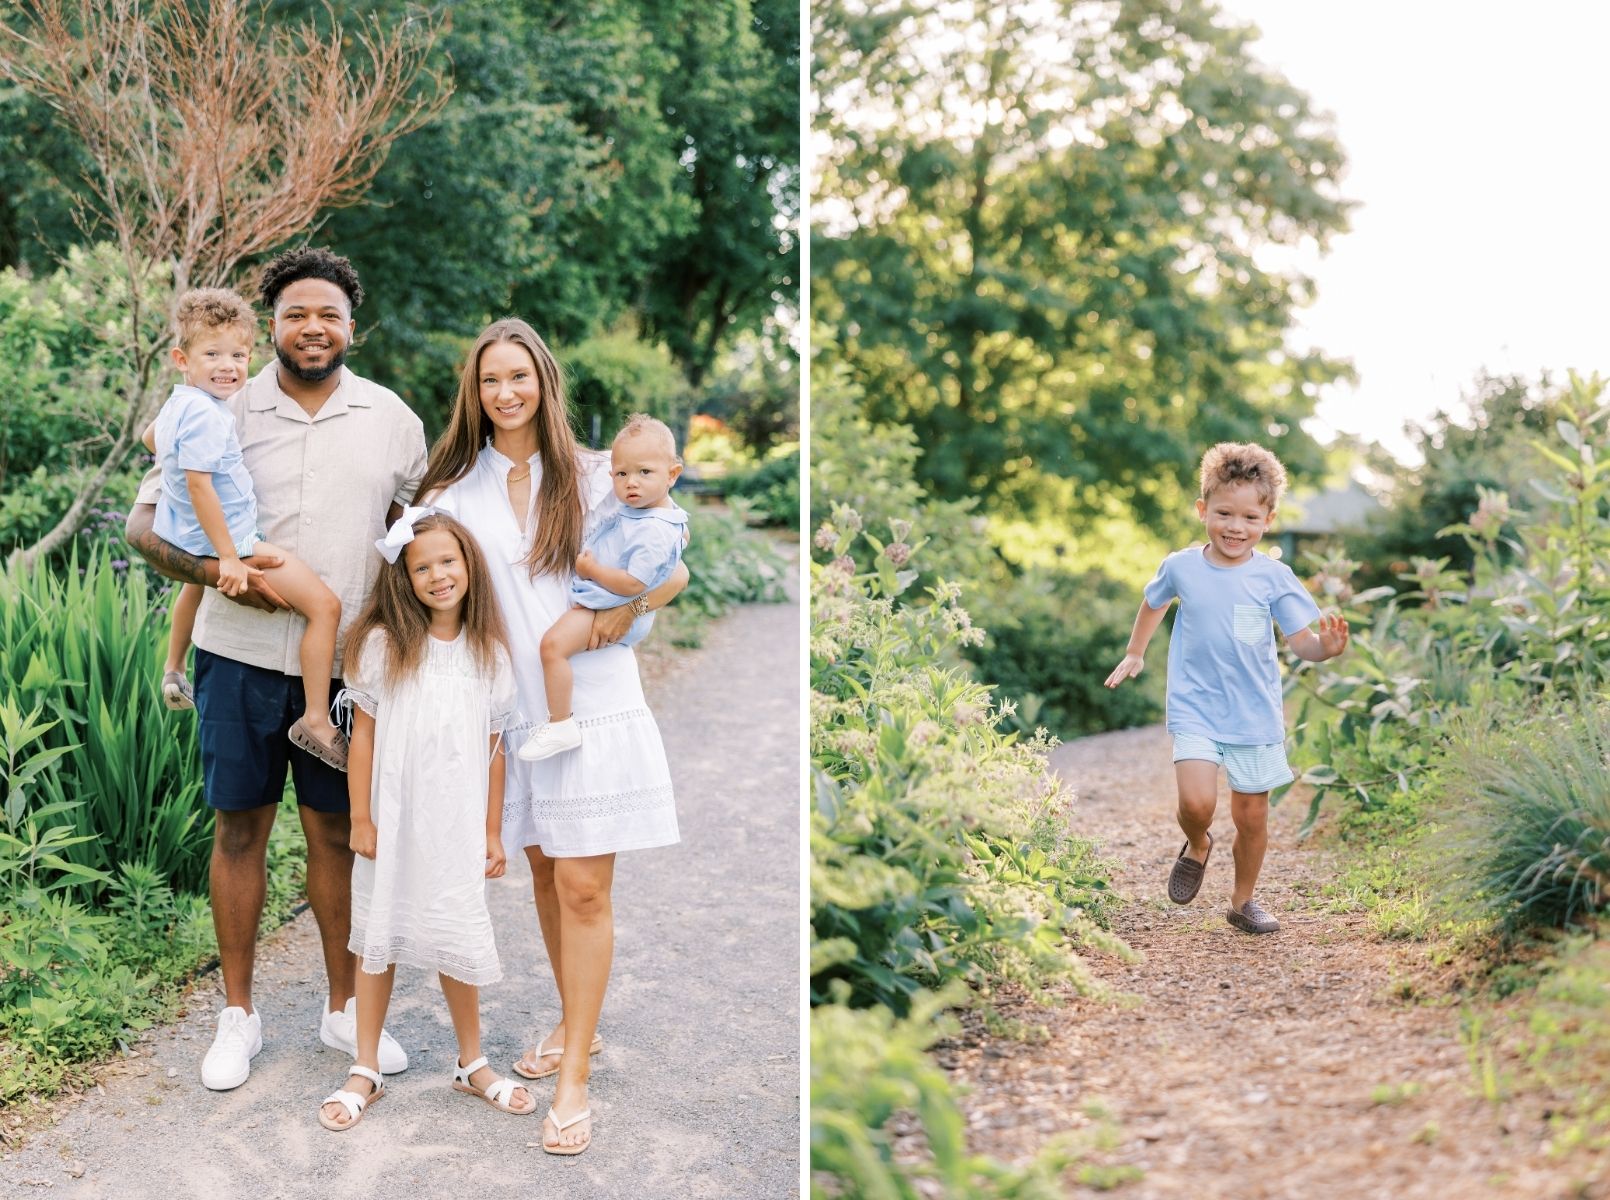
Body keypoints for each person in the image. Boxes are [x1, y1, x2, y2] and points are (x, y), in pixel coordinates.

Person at [124, 246, 425, 1090]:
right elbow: (143, 530)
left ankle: (341, 1011)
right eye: (296, 313)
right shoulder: (218, 399)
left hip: (343, 675)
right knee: (239, 829)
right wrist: (233, 582)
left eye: (328, 313)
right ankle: (238, 1016)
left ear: (352, 324)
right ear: (271, 327)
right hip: (236, 655)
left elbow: (416, 540)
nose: (313, 326)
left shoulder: (393, 419)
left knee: (335, 833)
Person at [417, 318, 687, 1155]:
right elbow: (424, 582)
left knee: (583, 888)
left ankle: (573, 1077)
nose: (506, 392)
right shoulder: (453, 493)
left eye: (520, 377)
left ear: (543, 383)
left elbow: (672, 567)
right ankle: (579, 1025)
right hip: (514, 708)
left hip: (592, 696)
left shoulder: (599, 474)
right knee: (541, 872)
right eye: (491, 379)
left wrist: (634, 610)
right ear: (475, 390)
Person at [318, 509, 534, 1130]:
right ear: (403, 578)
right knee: (378, 937)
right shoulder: (385, 646)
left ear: (469, 567)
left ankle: (473, 1063)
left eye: (448, 561)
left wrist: (492, 832)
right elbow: (363, 739)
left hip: (456, 821)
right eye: (422, 567)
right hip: (393, 817)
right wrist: (360, 816)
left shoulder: (490, 654)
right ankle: (365, 1066)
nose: (438, 575)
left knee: (455, 932)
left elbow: (496, 754)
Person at [1104, 442, 1349, 935]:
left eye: (1249, 517)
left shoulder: (1274, 577)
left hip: (1253, 714)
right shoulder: (1181, 566)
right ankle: (1197, 843)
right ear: (1203, 511)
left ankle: (1242, 901)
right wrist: (1136, 651)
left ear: (1267, 519)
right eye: (1223, 513)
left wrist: (1327, 648)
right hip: (1196, 706)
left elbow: (1302, 643)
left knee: (1252, 816)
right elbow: (1153, 603)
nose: (1235, 527)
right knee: (1197, 804)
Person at [143, 287, 347, 770]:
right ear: (182, 358)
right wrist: (231, 557)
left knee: (194, 587)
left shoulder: (180, 403)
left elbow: (148, 438)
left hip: (189, 535)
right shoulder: (209, 416)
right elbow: (200, 488)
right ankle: (316, 719)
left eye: (237, 354)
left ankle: (174, 669)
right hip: (230, 539)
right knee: (324, 606)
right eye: (211, 354)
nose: (227, 366)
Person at [518, 414, 688, 762]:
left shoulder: (653, 526)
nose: (630, 483)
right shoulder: (645, 511)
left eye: (644, 473)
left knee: (552, 647)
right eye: (621, 474)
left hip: (610, 606)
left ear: (672, 474)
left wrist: (592, 570)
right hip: (603, 602)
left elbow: (639, 581)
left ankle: (560, 723)